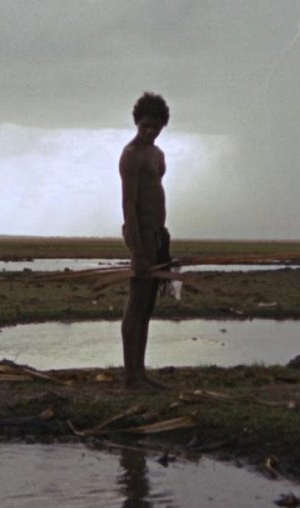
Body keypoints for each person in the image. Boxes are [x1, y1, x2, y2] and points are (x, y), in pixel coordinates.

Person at [119, 92, 171, 389]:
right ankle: (131, 376)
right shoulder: (131, 154)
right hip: (140, 236)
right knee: (136, 303)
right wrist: (138, 252)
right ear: (137, 122)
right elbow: (129, 205)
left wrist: (161, 236)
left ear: (163, 125)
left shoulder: (157, 154)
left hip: (157, 235)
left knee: (148, 306)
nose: (150, 131)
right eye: (145, 125)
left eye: (155, 126)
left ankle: (141, 372)